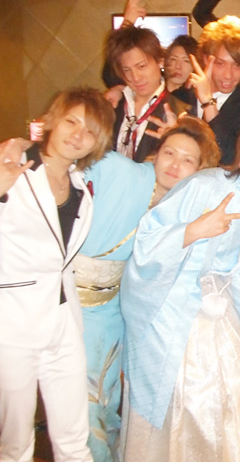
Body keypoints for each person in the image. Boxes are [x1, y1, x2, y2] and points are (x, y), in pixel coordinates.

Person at [119, 114, 240, 461]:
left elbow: (233, 273)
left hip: (219, 310)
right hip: (173, 309)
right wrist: (194, 230)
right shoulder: (205, 185)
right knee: (189, 400)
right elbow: (147, 241)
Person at [76, 117, 220, 462]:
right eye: (169, 152)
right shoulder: (122, 171)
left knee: (106, 396)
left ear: (200, 170)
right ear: (156, 153)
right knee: (83, 400)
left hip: (118, 307)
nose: (174, 164)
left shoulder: (183, 211)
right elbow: (73, 159)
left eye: (187, 160)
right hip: (73, 298)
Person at [0, 87, 114, 462]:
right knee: (15, 444)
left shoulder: (81, 188)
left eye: (90, 131)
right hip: (12, 325)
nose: (78, 135)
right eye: (71, 121)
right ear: (51, 121)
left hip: (64, 324)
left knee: (74, 439)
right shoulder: (11, 168)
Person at [105, 0, 187, 162]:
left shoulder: (180, 112)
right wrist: (127, 22)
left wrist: (175, 145)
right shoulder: (113, 104)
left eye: (141, 66)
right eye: (127, 70)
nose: (135, 77)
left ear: (160, 61)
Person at [173, 14, 240, 165]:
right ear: (205, 59)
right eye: (220, 64)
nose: (228, 75)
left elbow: (232, 159)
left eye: (237, 66)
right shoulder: (181, 97)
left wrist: (208, 103)